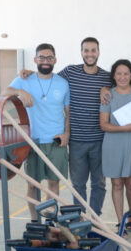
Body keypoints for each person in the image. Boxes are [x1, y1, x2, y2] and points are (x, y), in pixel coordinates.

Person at [21, 38, 113, 219]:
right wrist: (32, 72)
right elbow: (48, 76)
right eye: (86, 50)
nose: (90, 54)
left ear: (99, 52)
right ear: (81, 52)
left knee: (99, 184)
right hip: (76, 141)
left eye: (93, 50)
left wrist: (107, 88)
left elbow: (121, 88)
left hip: (100, 140)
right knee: (78, 185)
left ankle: (94, 219)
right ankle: (80, 217)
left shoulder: (106, 77)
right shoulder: (70, 72)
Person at [5, 43, 70, 221]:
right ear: (35, 60)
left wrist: (67, 134)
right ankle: (36, 222)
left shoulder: (63, 83)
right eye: (42, 57)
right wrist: (19, 91)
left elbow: (68, 113)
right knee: (33, 186)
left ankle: (50, 219)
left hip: (56, 141)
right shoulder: (25, 80)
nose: (46, 61)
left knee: (53, 185)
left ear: (55, 60)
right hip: (33, 141)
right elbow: (4, 92)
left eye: (49, 58)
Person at [99, 59, 131, 233]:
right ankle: (120, 221)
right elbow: (104, 124)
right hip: (113, 145)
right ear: (114, 76)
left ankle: (130, 216)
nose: (123, 77)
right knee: (116, 184)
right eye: (119, 73)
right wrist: (125, 128)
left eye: (126, 73)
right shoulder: (108, 95)